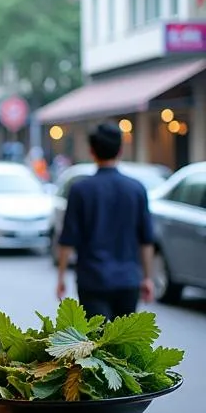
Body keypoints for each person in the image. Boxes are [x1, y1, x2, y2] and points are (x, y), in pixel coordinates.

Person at [56, 122, 155, 320]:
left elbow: (68, 239)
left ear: (92, 151)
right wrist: (146, 277)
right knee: (122, 344)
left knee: (96, 345)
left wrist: (61, 277)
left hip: (92, 280)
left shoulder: (80, 190)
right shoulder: (136, 189)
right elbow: (146, 239)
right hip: (128, 280)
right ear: (120, 150)